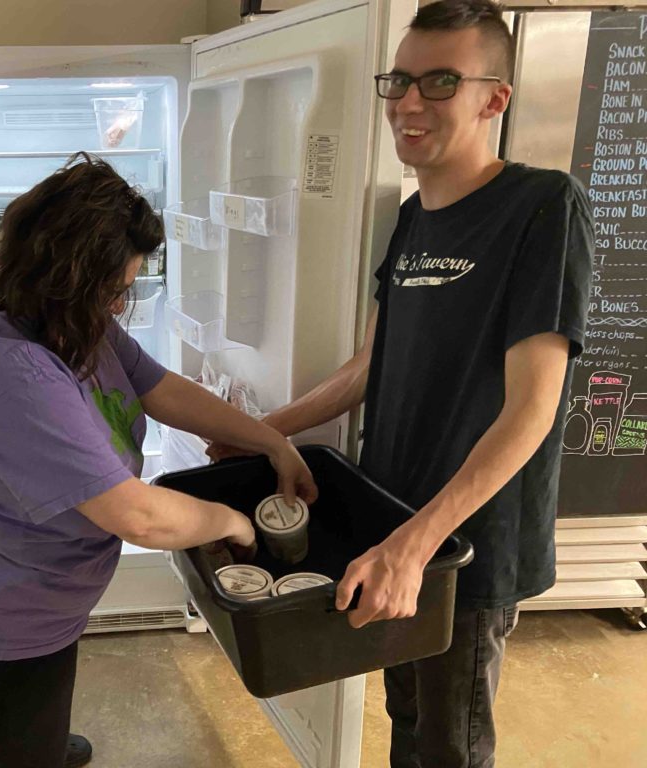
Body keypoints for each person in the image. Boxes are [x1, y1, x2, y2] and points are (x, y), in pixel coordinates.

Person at [211, 1, 592, 765]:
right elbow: (368, 367)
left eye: (440, 81)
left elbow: (533, 409)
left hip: (465, 544)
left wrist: (416, 548)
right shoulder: (415, 215)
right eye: (401, 81)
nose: (409, 103)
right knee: (407, 719)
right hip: (394, 517)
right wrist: (262, 430)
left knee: (450, 742)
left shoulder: (542, 207)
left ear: (494, 98)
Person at [0, 153, 318, 768]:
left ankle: (41, 739)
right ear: (67, 279)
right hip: (3, 612)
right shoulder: (20, 380)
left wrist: (271, 440)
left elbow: (160, 386)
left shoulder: (71, 326)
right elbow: (140, 519)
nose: (120, 306)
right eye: (115, 290)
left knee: (36, 718)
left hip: (42, 592)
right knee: (13, 739)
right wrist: (233, 522)